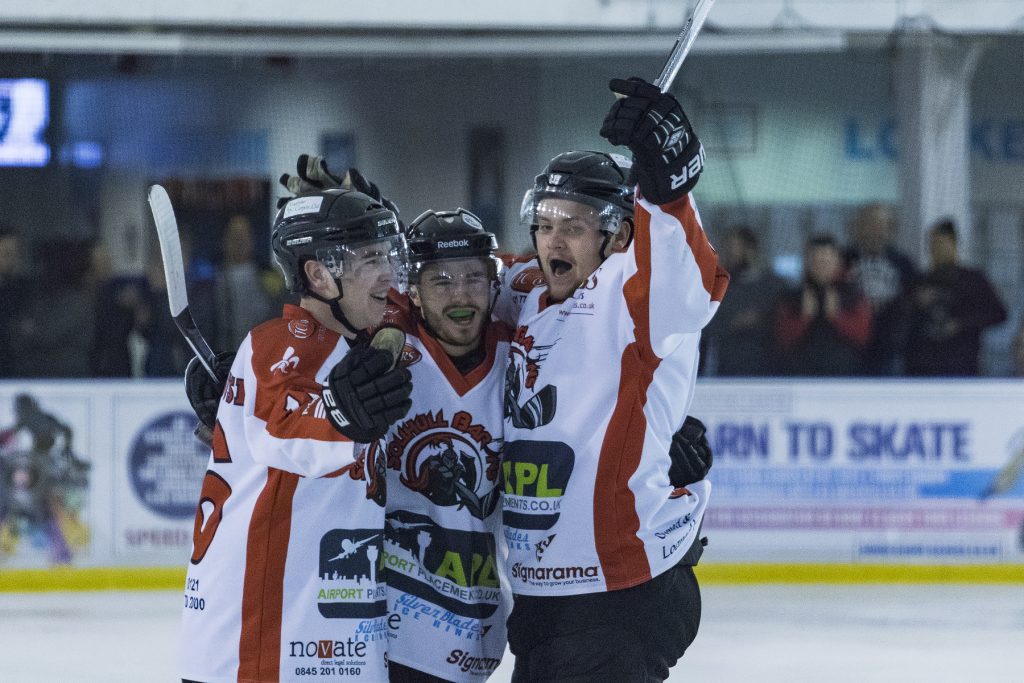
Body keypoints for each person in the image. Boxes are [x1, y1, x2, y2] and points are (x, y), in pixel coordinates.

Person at [494, 77, 726, 682]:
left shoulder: (630, 295)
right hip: (546, 603)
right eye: (544, 223)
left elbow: (693, 281)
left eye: (574, 224)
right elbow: (453, 282)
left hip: (616, 594)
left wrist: (669, 190)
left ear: (618, 234)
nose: (553, 239)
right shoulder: (525, 294)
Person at [178, 188, 414, 683]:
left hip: (310, 641)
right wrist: (342, 417)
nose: (389, 274)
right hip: (263, 650)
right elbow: (279, 433)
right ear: (318, 274)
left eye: (388, 255)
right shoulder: (285, 342)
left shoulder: (348, 345)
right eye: (370, 259)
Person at [372, 208, 511, 682]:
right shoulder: (381, 358)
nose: (461, 294)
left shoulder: (524, 357)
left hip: (478, 621)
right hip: (387, 620)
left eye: (474, 278)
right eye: (442, 281)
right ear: (413, 291)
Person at [905, 219, 1008, 376]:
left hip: (962, 363)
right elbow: (904, 320)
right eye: (932, 245)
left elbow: (998, 313)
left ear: (953, 244)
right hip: (924, 365)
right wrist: (917, 303)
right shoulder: (920, 282)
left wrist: (961, 324)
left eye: (941, 244)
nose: (936, 250)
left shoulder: (973, 280)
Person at [776, 234, 872, 376]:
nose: (821, 266)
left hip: (846, 376)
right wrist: (804, 318)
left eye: (826, 261)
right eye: (816, 261)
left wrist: (837, 317)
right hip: (800, 376)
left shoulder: (853, 295)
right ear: (807, 263)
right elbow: (782, 340)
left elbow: (862, 337)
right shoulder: (791, 297)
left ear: (837, 262)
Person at [700, 225, 785, 375]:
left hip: (769, 374)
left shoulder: (775, 286)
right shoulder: (720, 287)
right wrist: (734, 323)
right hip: (727, 372)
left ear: (751, 249)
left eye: (734, 248)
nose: (728, 254)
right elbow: (706, 327)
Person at [844, 203, 917, 375]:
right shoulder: (843, 260)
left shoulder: (903, 263)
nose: (874, 231)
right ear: (859, 227)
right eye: (869, 224)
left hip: (890, 350)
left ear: (890, 228)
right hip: (850, 349)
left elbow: (911, 302)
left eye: (880, 225)